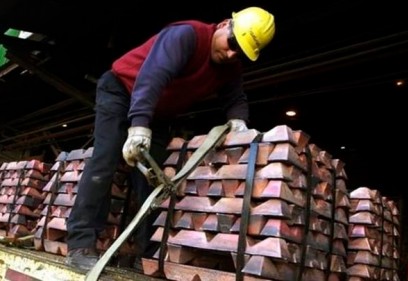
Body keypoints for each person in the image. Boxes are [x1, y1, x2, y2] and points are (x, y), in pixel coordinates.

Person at [65, 6, 276, 271]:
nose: (232, 53)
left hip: (160, 112)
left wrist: (239, 123)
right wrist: (139, 125)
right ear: (224, 24)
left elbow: (235, 97)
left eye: (241, 53)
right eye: (233, 43)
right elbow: (153, 75)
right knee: (105, 161)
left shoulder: (229, 66)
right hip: (122, 91)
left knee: (154, 182)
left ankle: (148, 253)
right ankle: (80, 244)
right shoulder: (187, 35)